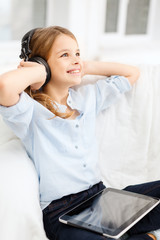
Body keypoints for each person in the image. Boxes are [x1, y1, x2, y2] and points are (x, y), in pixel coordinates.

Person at [0, 26, 159, 240]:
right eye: (65, 55)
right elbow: (5, 86)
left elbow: (132, 73)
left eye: (77, 53)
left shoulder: (88, 97)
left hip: (101, 198)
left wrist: (84, 66)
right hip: (62, 212)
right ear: (42, 63)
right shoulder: (30, 111)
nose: (75, 59)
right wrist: (39, 71)